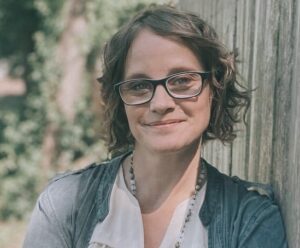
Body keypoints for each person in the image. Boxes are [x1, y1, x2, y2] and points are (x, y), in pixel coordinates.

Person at [24, 4, 287, 248]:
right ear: (120, 101)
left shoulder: (249, 218)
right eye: (139, 85)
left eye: (182, 80)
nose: (161, 103)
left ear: (214, 88)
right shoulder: (64, 205)